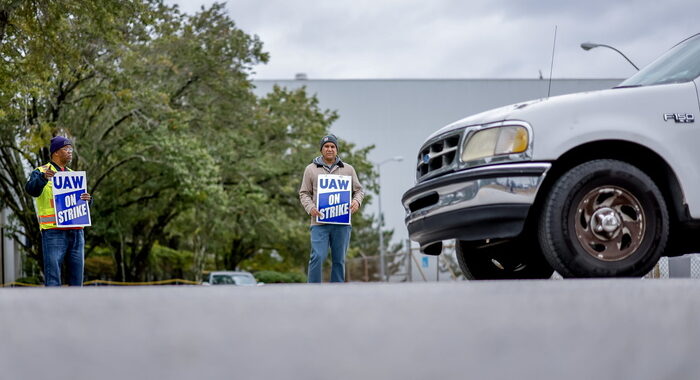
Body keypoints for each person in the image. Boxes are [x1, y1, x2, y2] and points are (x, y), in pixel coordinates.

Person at [25, 136, 92, 286]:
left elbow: (79, 204)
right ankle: (53, 307)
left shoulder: (73, 175)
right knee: (53, 277)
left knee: (77, 279)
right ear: (56, 152)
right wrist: (43, 178)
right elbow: (31, 190)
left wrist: (88, 200)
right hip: (53, 232)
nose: (70, 152)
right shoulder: (40, 171)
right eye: (66, 149)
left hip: (76, 232)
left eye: (71, 149)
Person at [299, 134, 364, 283]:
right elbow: (303, 193)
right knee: (317, 256)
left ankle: (337, 290)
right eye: (326, 146)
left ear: (336, 149)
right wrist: (311, 208)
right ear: (321, 149)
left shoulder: (348, 169)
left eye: (332, 146)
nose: (329, 149)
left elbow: (359, 190)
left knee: (339, 259)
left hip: (341, 223)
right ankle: (313, 289)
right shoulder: (310, 169)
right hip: (318, 222)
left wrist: (356, 202)